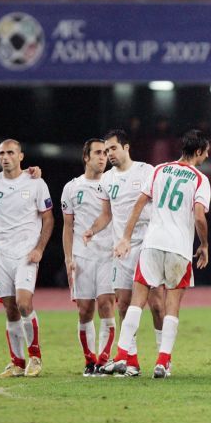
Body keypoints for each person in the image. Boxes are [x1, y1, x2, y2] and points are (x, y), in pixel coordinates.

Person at [101, 129, 211, 378]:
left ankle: (121, 356)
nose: (207, 156)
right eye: (206, 152)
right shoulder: (200, 179)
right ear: (198, 151)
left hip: (151, 244)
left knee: (137, 301)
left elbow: (139, 204)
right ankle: (162, 362)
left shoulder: (159, 169)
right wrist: (204, 244)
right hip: (179, 248)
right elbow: (199, 217)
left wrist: (126, 237)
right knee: (171, 305)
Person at [0, 139, 54, 378]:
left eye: (10, 153)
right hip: (2, 254)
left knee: (24, 303)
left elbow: (48, 218)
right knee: (10, 309)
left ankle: (35, 357)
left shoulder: (36, 182)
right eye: (1, 153)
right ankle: (17, 363)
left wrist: (39, 248)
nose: (5, 157)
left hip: (26, 253)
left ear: (21, 156)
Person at [83, 129, 160, 377]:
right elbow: (106, 215)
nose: (109, 154)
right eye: (106, 150)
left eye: (113, 148)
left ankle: (163, 359)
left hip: (147, 245)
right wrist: (92, 230)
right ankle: (132, 361)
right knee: (124, 304)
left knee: (157, 305)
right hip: (122, 249)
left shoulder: (146, 171)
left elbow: (159, 206)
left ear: (126, 147)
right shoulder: (107, 179)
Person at [61, 139, 117, 376]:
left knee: (105, 304)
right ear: (86, 157)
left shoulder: (113, 183)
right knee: (84, 310)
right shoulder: (72, 187)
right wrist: (68, 258)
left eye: (105, 153)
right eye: (98, 153)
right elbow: (67, 226)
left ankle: (103, 360)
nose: (103, 157)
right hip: (82, 256)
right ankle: (89, 360)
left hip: (108, 254)